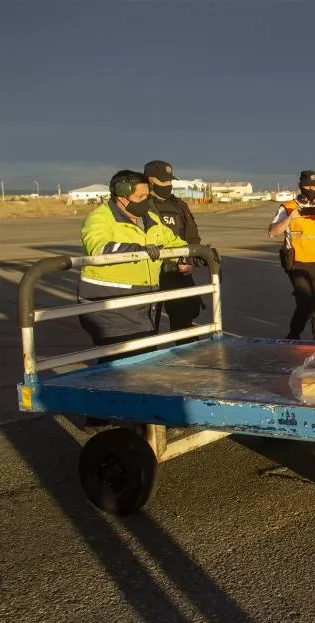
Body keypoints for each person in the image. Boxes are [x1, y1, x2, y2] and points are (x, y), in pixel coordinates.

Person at [78, 170, 190, 430]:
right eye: (140, 196)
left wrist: (188, 254)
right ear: (121, 198)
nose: (146, 200)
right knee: (137, 355)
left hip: (141, 298)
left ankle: (97, 416)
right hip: (107, 300)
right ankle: (145, 421)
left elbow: (170, 241)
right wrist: (138, 251)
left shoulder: (149, 218)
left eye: (147, 195)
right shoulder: (99, 218)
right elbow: (98, 247)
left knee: (115, 359)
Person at [269, 170, 315, 341]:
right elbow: (273, 232)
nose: (311, 188)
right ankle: (293, 335)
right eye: (307, 185)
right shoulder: (287, 207)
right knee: (306, 302)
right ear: (300, 185)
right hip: (297, 263)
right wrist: (291, 217)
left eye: (314, 185)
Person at [144, 160, 204, 331]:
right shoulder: (140, 206)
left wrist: (189, 261)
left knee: (185, 317)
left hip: (176, 271)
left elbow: (192, 238)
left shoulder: (179, 205)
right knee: (146, 324)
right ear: (150, 180)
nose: (168, 185)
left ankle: (186, 354)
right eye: (163, 181)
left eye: (170, 181)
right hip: (149, 274)